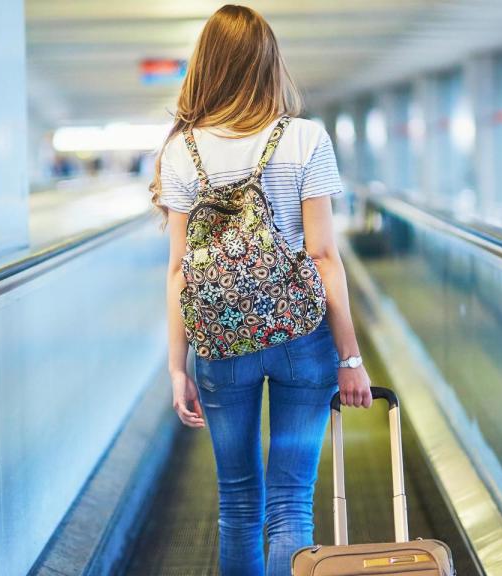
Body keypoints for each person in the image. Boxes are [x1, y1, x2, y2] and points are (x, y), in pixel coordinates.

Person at [150, 5, 373, 575]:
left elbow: (179, 270)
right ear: (269, 64)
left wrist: (179, 367)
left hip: (221, 346)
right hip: (303, 336)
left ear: (205, 67)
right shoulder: (303, 139)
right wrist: (349, 356)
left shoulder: (181, 151)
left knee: (239, 502)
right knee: (291, 503)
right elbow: (324, 256)